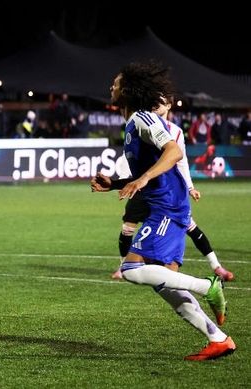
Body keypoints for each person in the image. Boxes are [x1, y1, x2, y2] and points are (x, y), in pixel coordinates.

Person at [90, 63, 234, 361]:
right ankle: (218, 339)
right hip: (164, 204)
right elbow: (151, 166)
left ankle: (208, 285)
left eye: (115, 84)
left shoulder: (144, 118)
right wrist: (114, 182)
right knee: (162, 281)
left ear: (128, 90)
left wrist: (142, 179)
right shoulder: (132, 124)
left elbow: (174, 152)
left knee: (131, 270)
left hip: (168, 205)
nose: (111, 88)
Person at [110, 96, 234, 283]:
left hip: (165, 192)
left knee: (189, 228)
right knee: (128, 228)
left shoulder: (174, 131)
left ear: (168, 105)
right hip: (143, 189)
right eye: (154, 101)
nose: (156, 104)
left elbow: (179, 159)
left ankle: (216, 267)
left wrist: (190, 187)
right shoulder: (142, 122)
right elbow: (135, 160)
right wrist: (119, 183)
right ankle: (122, 265)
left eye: (161, 101)